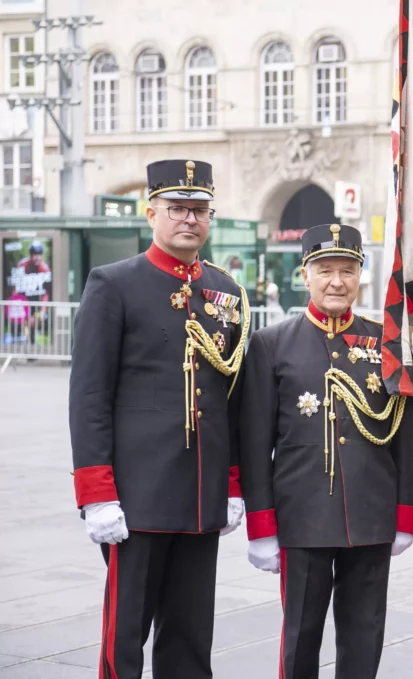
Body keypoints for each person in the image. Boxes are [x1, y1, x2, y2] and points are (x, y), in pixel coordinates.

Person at [69, 160, 248, 679]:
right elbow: (90, 395)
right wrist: (96, 491)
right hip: (137, 497)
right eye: (177, 209)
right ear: (152, 213)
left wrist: (233, 482)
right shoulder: (114, 284)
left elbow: (232, 397)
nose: (189, 219)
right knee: (126, 633)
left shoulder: (225, 293)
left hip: (199, 496)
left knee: (192, 636)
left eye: (199, 210)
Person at [239, 224, 413, 679]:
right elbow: (256, 443)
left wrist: (404, 513)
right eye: (325, 270)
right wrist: (261, 524)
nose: (336, 281)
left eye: (347, 270)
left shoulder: (385, 343)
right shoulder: (271, 344)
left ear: (362, 275)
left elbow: (403, 436)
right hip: (302, 518)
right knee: (300, 636)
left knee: (365, 635)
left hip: (370, 516)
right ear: (305, 275)